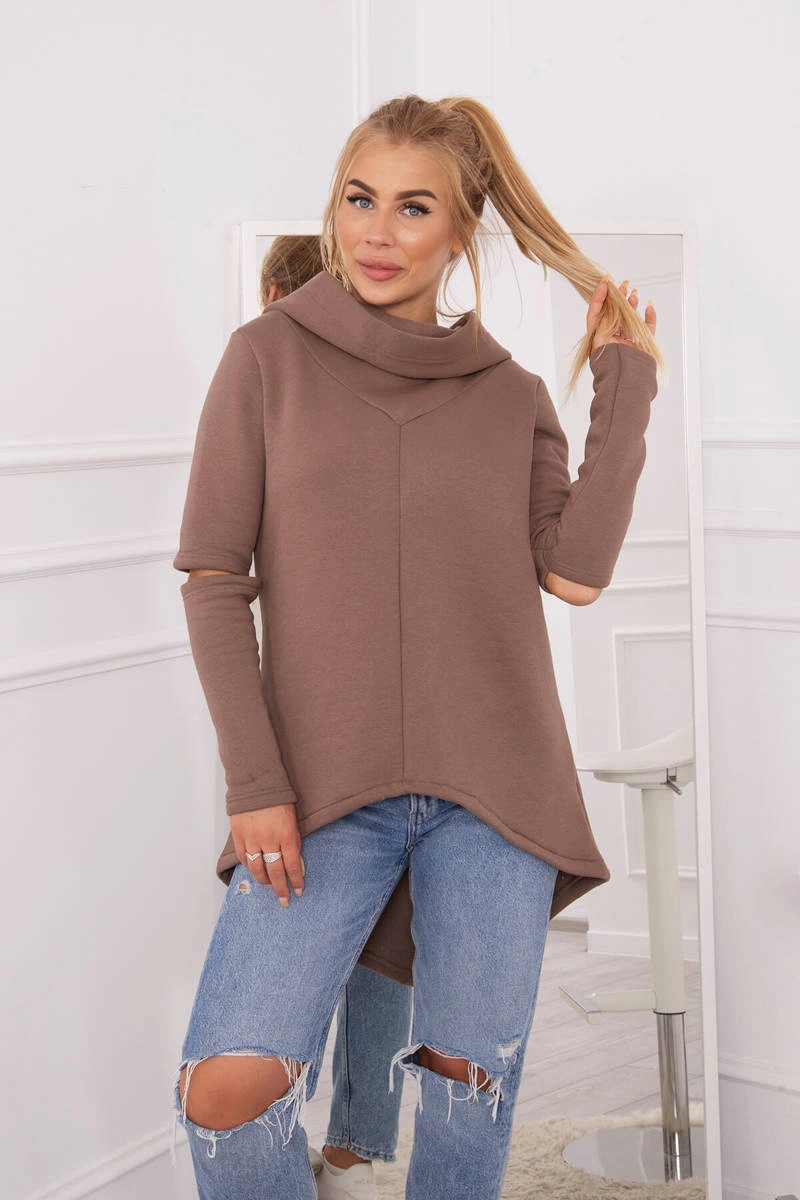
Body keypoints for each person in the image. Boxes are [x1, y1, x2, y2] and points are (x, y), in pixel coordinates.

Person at [169, 93, 661, 1200]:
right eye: (359, 200)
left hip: (496, 797)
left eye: (412, 207)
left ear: (459, 229)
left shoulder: (511, 394)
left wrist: (624, 383)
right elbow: (213, 583)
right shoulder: (265, 359)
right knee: (224, 1093)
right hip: (316, 795)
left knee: (463, 1105)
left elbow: (575, 574)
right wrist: (255, 785)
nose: (377, 232)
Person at [260, 233, 416, 1196]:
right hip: (316, 725)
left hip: (332, 727)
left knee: (368, 941)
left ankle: (349, 1153)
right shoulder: (269, 377)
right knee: (365, 939)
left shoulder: (293, 379)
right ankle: (351, 1153)